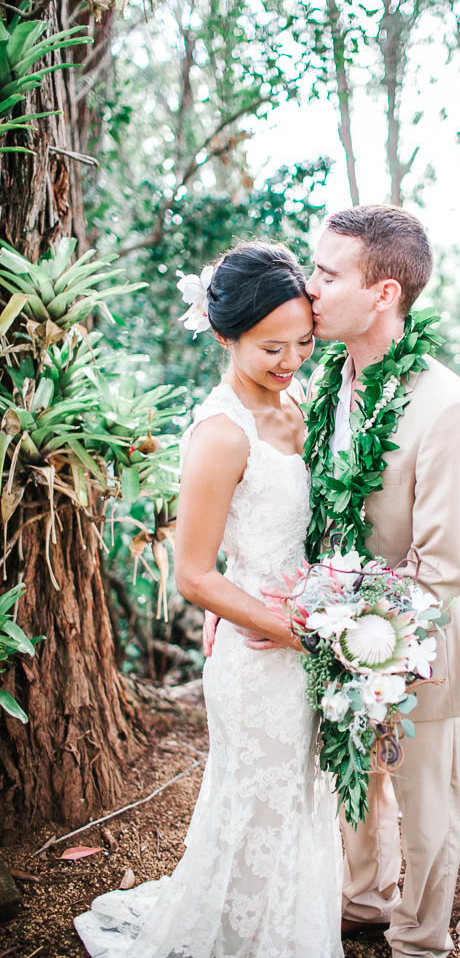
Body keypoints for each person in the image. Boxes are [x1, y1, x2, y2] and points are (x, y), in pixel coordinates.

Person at [207, 206, 460, 957]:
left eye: (329, 273)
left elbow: (440, 574)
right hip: (329, 633)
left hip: (421, 647)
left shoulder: (451, 414)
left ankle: (420, 940)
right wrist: (247, 591)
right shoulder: (319, 383)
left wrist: (344, 623)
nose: (310, 285)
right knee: (354, 783)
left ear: (384, 294)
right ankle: (364, 900)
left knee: (426, 805)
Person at [75, 242, 343, 958]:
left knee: (299, 802)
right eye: (270, 348)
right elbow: (194, 574)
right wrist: (296, 631)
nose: (290, 362)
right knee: (257, 806)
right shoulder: (220, 434)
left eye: (303, 345)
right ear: (224, 335)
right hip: (262, 651)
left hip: (313, 629)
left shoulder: (304, 404)